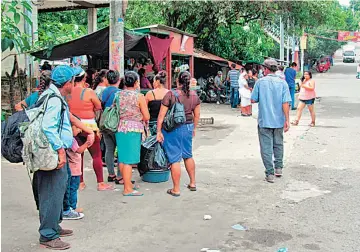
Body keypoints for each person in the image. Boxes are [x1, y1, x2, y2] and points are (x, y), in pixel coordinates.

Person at [33, 65, 76, 250]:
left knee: (57, 191)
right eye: (73, 82)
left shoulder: (52, 96)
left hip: (52, 152)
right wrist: (60, 151)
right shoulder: (54, 100)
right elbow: (48, 127)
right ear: (67, 83)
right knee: (51, 192)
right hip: (51, 153)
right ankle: (48, 235)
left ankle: (54, 225)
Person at [67, 68, 113, 191]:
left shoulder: (68, 93)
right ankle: (100, 183)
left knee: (78, 154)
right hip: (89, 126)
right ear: (84, 78)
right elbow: (98, 106)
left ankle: (80, 182)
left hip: (74, 126)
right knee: (96, 155)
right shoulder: (88, 92)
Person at [156, 71, 201, 197]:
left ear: (177, 81)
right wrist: (193, 129)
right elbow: (196, 115)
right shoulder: (194, 96)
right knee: (188, 155)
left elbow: (161, 115)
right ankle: (192, 183)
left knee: (174, 158)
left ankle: (176, 189)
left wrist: (159, 131)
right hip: (188, 127)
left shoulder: (171, 94)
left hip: (173, 129)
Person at [251, 59, 291, 183]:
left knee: (266, 147)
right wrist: (287, 120)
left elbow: (253, 100)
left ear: (266, 69)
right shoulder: (282, 83)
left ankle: (269, 173)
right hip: (279, 120)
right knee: (278, 144)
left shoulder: (260, 83)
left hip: (264, 120)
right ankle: (278, 168)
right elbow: (285, 103)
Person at [115, 71, 150, 196]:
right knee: (129, 161)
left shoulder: (118, 95)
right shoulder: (139, 96)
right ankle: (127, 189)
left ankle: (127, 185)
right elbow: (146, 116)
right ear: (136, 83)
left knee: (123, 159)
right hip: (134, 129)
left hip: (120, 128)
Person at [64, 125, 90, 220]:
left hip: (72, 168)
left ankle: (69, 207)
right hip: (74, 170)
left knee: (70, 188)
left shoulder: (67, 138)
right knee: (73, 189)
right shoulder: (71, 140)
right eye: (77, 128)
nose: (79, 130)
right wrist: (87, 143)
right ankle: (72, 207)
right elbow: (78, 150)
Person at [101, 70, 122, 182]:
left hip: (105, 124)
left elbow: (99, 106)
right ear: (118, 80)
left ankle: (111, 174)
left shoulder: (104, 92)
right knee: (120, 150)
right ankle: (119, 175)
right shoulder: (120, 93)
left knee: (109, 149)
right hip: (117, 124)